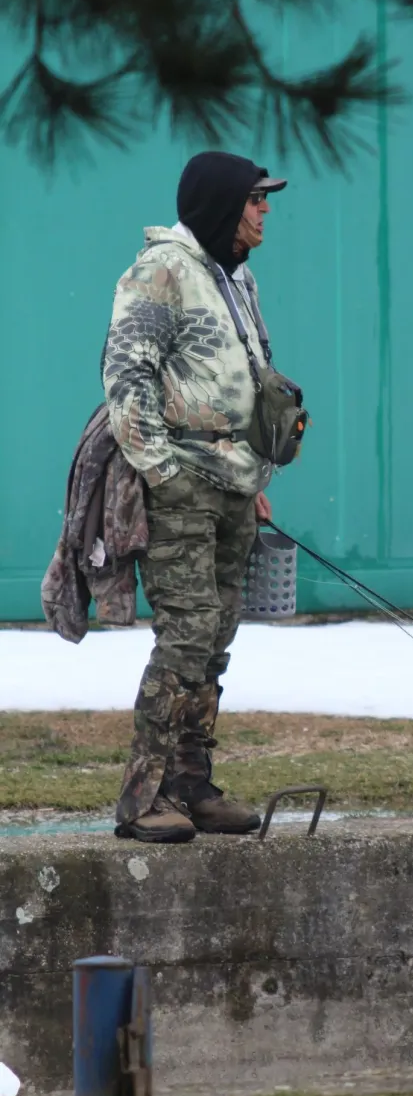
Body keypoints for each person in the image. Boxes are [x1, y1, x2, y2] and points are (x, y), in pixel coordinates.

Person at [102, 150, 289, 844]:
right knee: (185, 636)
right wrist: (161, 470)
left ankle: (191, 784)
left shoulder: (236, 278)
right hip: (182, 484)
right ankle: (142, 796)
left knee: (215, 639)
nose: (265, 210)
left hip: (236, 485)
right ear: (221, 204)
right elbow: (126, 376)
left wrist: (256, 476)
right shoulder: (161, 271)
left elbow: (248, 379)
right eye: (255, 199)